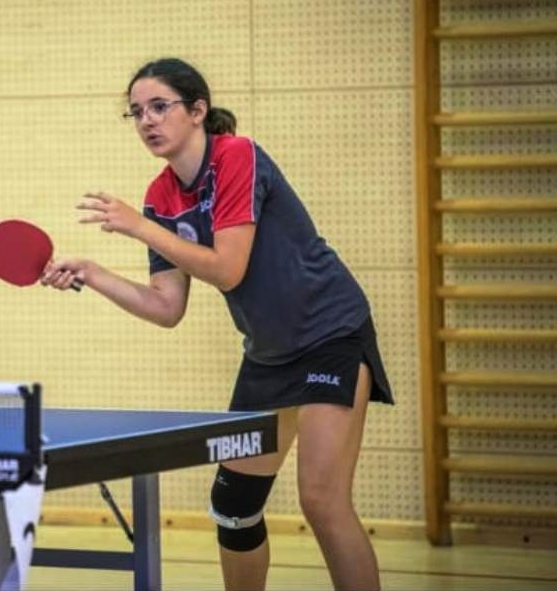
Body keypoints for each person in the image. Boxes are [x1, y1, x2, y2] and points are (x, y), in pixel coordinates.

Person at [40, 58, 394, 591]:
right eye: (136, 112)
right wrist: (92, 272)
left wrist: (140, 228)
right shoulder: (160, 197)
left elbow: (229, 269)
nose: (146, 120)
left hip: (329, 334)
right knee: (234, 506)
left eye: (160, 106)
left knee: (322, 500)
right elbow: (166, 307)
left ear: (198, 110)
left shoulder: (237, 156)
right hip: (268, 354)